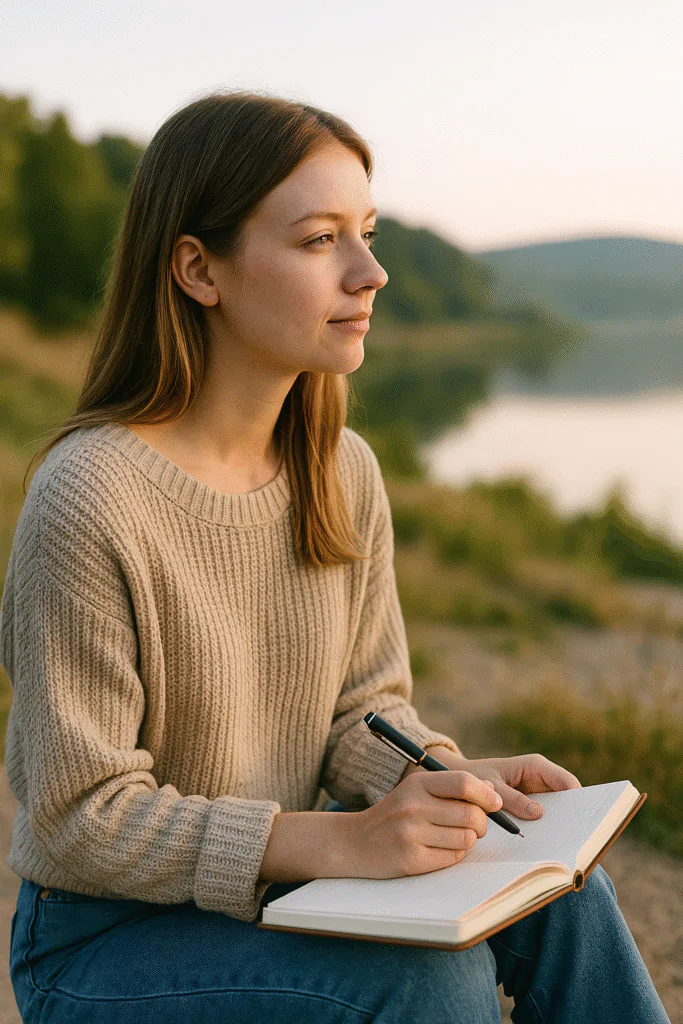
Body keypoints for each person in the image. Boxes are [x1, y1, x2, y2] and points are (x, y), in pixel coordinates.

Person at [1, 90, 669, 1024]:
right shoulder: (91, 497)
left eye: (366, 232)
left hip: (283, 894)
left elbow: (362, 709)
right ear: (199, 268)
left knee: (565, 893)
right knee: (425, 983)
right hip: (106, 941)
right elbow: (78, 822)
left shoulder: (339, 469)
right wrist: (335, 843)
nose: (371, 273)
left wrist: (448, 781)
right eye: (319, 240)